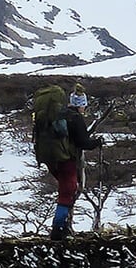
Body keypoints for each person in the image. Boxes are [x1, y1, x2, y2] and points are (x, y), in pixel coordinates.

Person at [35, 83, 104, 241]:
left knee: (65, 190)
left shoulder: (53, 115)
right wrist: (97, 142)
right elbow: (83, 142)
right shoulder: (74, 117)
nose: (84, 109)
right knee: (68, 191)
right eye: (84, 105)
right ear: (81, 105)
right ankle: (58, 230)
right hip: (65, 159)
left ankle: (63, 227)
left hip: (50, 158)